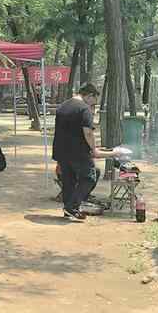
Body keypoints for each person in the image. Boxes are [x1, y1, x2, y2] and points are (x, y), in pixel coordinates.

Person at [52, 83, 114, 221]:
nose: (93, 105)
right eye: (94, 101)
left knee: (69, 180)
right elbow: (88, 133)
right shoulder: (83, 109)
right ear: (90, 95)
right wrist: (94, 149)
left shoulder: (63, 106)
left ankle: (68, 209)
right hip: (78, 151)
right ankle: (72, 207)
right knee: (90, 177)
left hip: (61, 150)